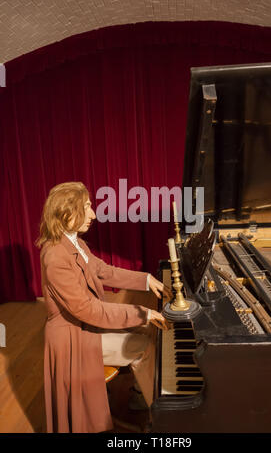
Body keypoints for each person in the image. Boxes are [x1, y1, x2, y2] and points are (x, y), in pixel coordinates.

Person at [36, 181, 171, 433]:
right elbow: (89, 310)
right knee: (143, 345)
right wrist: (143, 313)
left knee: (147, 333)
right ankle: (165, 419)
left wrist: (145, 279)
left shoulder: (74, 243)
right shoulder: (55, 256)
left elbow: (104, 271)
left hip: (86, 328)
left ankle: (141, 395)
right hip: (73, 340)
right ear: (66, 212)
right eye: (86, 207)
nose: (93, 214)